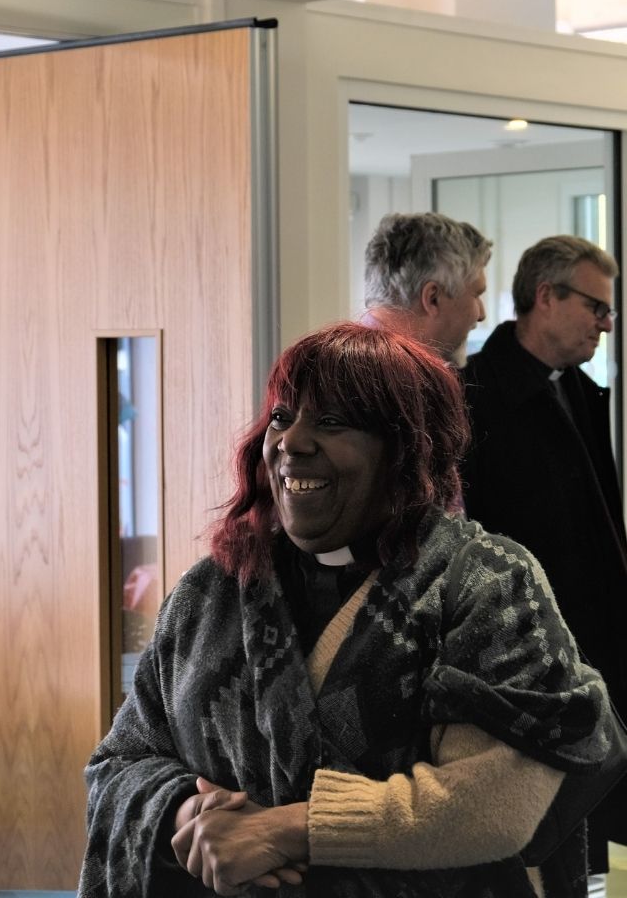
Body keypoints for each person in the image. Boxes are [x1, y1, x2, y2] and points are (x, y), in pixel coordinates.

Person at [78, 321, 616, 898]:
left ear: (407, 450)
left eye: (331, 422)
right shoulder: (212, 591)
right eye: (283, 416)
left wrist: (287, 830)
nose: (292, 441)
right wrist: (189, 816)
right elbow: (118, 762)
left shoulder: (485, 585)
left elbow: (492, 805)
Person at [461, 234, 627, 889]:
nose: (605, 323)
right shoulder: (475, 395)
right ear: (545, 296)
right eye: (595, 306)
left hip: (593, 642)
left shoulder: (581, 392)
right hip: (522, 657)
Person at [363, 211, 491, 365]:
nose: (481, 315)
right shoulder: (395, 381)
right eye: (476, 295)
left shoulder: (345, 369)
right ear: (433, 298)